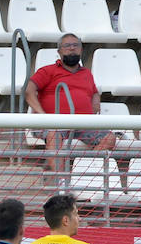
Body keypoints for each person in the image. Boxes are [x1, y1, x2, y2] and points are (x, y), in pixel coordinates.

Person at [25, 34, 115, 179]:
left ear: (81, 49)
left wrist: (95, 99)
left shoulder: (86, 73)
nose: (72, 48)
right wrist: (43, 116)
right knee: (54, 134)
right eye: (67, 46)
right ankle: (62, 181)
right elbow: (29, 91)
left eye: (76, 45)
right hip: (53, 124)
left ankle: (82, 175)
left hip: (82, 124)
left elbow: (94, 92)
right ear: (59, 51)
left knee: (109, 138)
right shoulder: (47, 71)